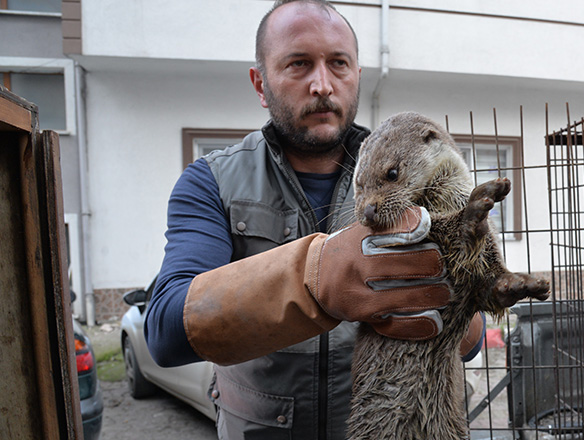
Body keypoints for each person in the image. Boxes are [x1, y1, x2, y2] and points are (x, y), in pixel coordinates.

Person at [143, 1, 485, 439]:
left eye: (338, 64)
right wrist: (312, 280)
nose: (322, 85)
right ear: (260, 83)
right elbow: (167, 331)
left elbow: (471, 344)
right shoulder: (210, 182)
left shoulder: (412, 166)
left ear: (357, 76)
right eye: (298, 64)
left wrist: (459, 299)